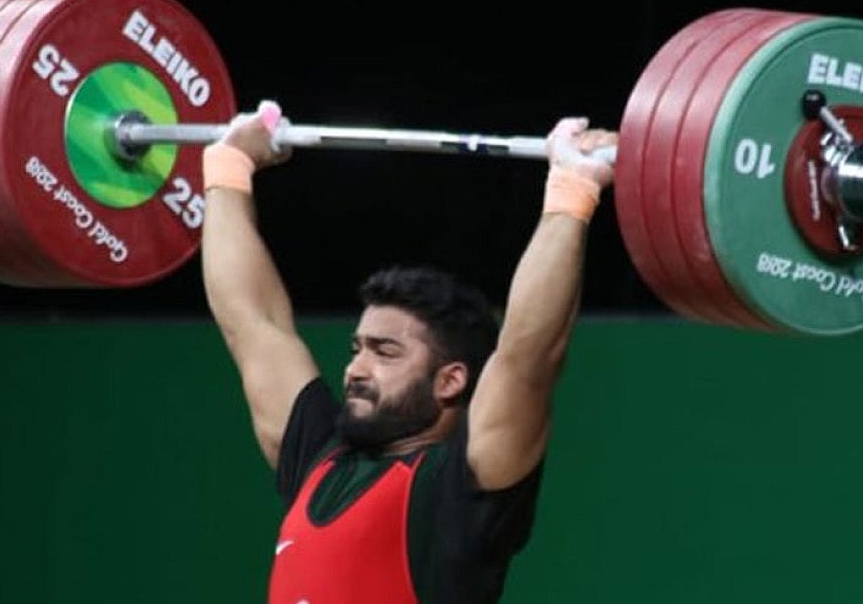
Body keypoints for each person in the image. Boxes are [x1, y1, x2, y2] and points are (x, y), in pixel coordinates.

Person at [199, 99, 617, 604]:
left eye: (386, 352)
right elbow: (253, 324)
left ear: (451, 381)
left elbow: (528, 360)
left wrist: (572, 192)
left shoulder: (457, 496)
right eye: (357, 348)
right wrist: (228, 168)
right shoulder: (321, 459)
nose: (356, 368)